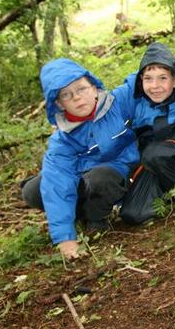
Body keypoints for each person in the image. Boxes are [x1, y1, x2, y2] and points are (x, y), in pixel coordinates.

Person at [22, 58, 139, 259]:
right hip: (84, 181)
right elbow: (57, 184)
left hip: (121, 176)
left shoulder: (118, 103)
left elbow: (145, 78)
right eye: (67, 95)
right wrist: (65, 239)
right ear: (58, 103)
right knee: (33, 190)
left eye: (81, 89)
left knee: (101, 177)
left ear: (94, 88)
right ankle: (81, 215)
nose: (77, 98)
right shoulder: (62, 140)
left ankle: (97, 217)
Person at [120, 42, 175, 222]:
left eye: (162, 78)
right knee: (133, 214)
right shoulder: (137, 104)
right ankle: (167, 192)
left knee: (154, 153)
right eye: (148, 79)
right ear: (140, 80)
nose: (155, 86)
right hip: (150, 161)